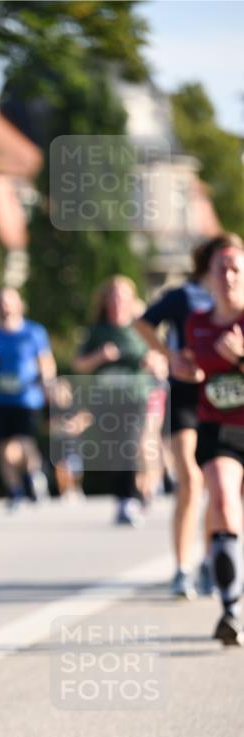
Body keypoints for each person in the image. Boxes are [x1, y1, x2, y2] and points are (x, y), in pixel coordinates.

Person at [135, 239, 224, 599]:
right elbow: (143, 324)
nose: (229, 271)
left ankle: (210, 560)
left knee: (219, 484)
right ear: (207, 263)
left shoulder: (236, 298)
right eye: (222, 263)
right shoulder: (183, 295)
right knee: (190, 478)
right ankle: (182, 568)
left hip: (224, 398)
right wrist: (170, 356)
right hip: (185, 393)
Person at [180, 234, 244, 646]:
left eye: (236, 269)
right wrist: (178, 365)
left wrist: (239, 358)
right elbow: (192, 366)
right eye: (221, 269)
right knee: (222, 501)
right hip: (219, 429)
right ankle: (231, 610)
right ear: (209, 278)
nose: (228, 276)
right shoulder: (197, 323)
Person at [73, 276, 164, 526]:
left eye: (122, 297)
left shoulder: (141, 328)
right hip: (107, 399)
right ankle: (127, 497)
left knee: (134, 444)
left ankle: (132, 496)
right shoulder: (97, 331)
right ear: (105, 301)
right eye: (112, 297)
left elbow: (163, 359)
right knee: (115, 450)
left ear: (132, 300)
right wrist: (100, 357)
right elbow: (79, 365)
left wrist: (154, 362)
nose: (117, 303)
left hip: (138, 397)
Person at [0, 288, 56, 506]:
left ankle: (34, 476)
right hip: (0, 399)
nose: (5, 306)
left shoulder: (34, 332)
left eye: (9, 301)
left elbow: (46, 362)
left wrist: (47, 383)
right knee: (4, 448)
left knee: (25, 442)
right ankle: (14, 489)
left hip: (27, 398)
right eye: (1, 302)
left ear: (19, 304)